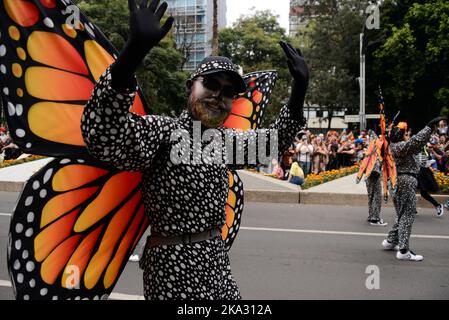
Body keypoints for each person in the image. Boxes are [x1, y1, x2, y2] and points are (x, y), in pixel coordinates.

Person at [80, 0, 309, 299]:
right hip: (173, 271)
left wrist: (298, 93)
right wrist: (131, 55)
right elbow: (103, 136)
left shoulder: (223, 142)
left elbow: (271, 144)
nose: (219, 96)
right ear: (191, 86)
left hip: (217, 266)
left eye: (228, 92)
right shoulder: (163, 132)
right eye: (211, 84)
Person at [382, 117, 445, 261]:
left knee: (402, 215)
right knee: (407, 215)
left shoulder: (394, 146)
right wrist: (428, 128)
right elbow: (415, 142)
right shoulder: (398, 146)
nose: (407, 135)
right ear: (400, 136)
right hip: (404, 181)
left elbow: (414, 145)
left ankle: (391, 241)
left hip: (399, 181)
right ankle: (403, 251)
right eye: (405, 134)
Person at [417, 144, 444, 216]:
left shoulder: (424, 150)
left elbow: (427, 161)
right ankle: (411, 208)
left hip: (423, 173)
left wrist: (427, 162)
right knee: (411, 191)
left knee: (423, 193)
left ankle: (438, 205)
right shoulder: (413, 149)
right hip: (416, 173)